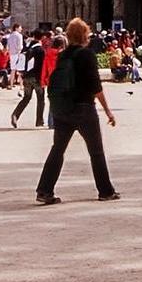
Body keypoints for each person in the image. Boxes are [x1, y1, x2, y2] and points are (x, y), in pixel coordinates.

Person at [35, 17, 119, 204]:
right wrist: (108, 112)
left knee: (57, 149)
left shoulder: (63, 55)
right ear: (84, 35)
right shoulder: (86, 55)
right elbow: (96, 87)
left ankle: (44, 190)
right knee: (96, 151)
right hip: (83, 109)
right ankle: (105, 191)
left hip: (63, 109)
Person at [11, 30, 46, 127]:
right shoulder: (41, 50)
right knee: (40, 99)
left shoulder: (26, 49)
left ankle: (15, 115)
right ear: (41, 38)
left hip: (26, 77)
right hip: (37, 78)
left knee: (26, 98)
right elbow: (42, 66)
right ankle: (39, 121)